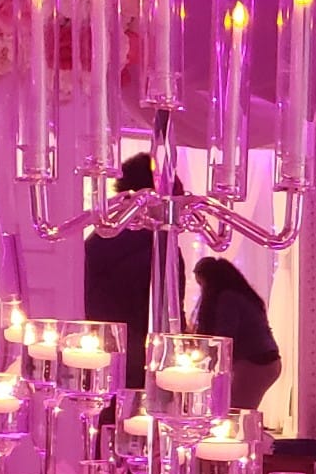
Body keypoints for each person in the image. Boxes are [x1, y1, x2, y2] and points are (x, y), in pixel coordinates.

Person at [81, 153, 173, 388]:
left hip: (97, 344)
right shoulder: (156, 244)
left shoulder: (103, 235)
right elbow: (164, 308)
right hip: (137, 354)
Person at [193, 256, 283, 419]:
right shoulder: (243, 296)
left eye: (202, 284)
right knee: (239, 410)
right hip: (266, 361)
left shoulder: (228, 299)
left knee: (235, 413)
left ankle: (247, 443)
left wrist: (206, 360)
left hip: (255, 363)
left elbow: (225, 337)